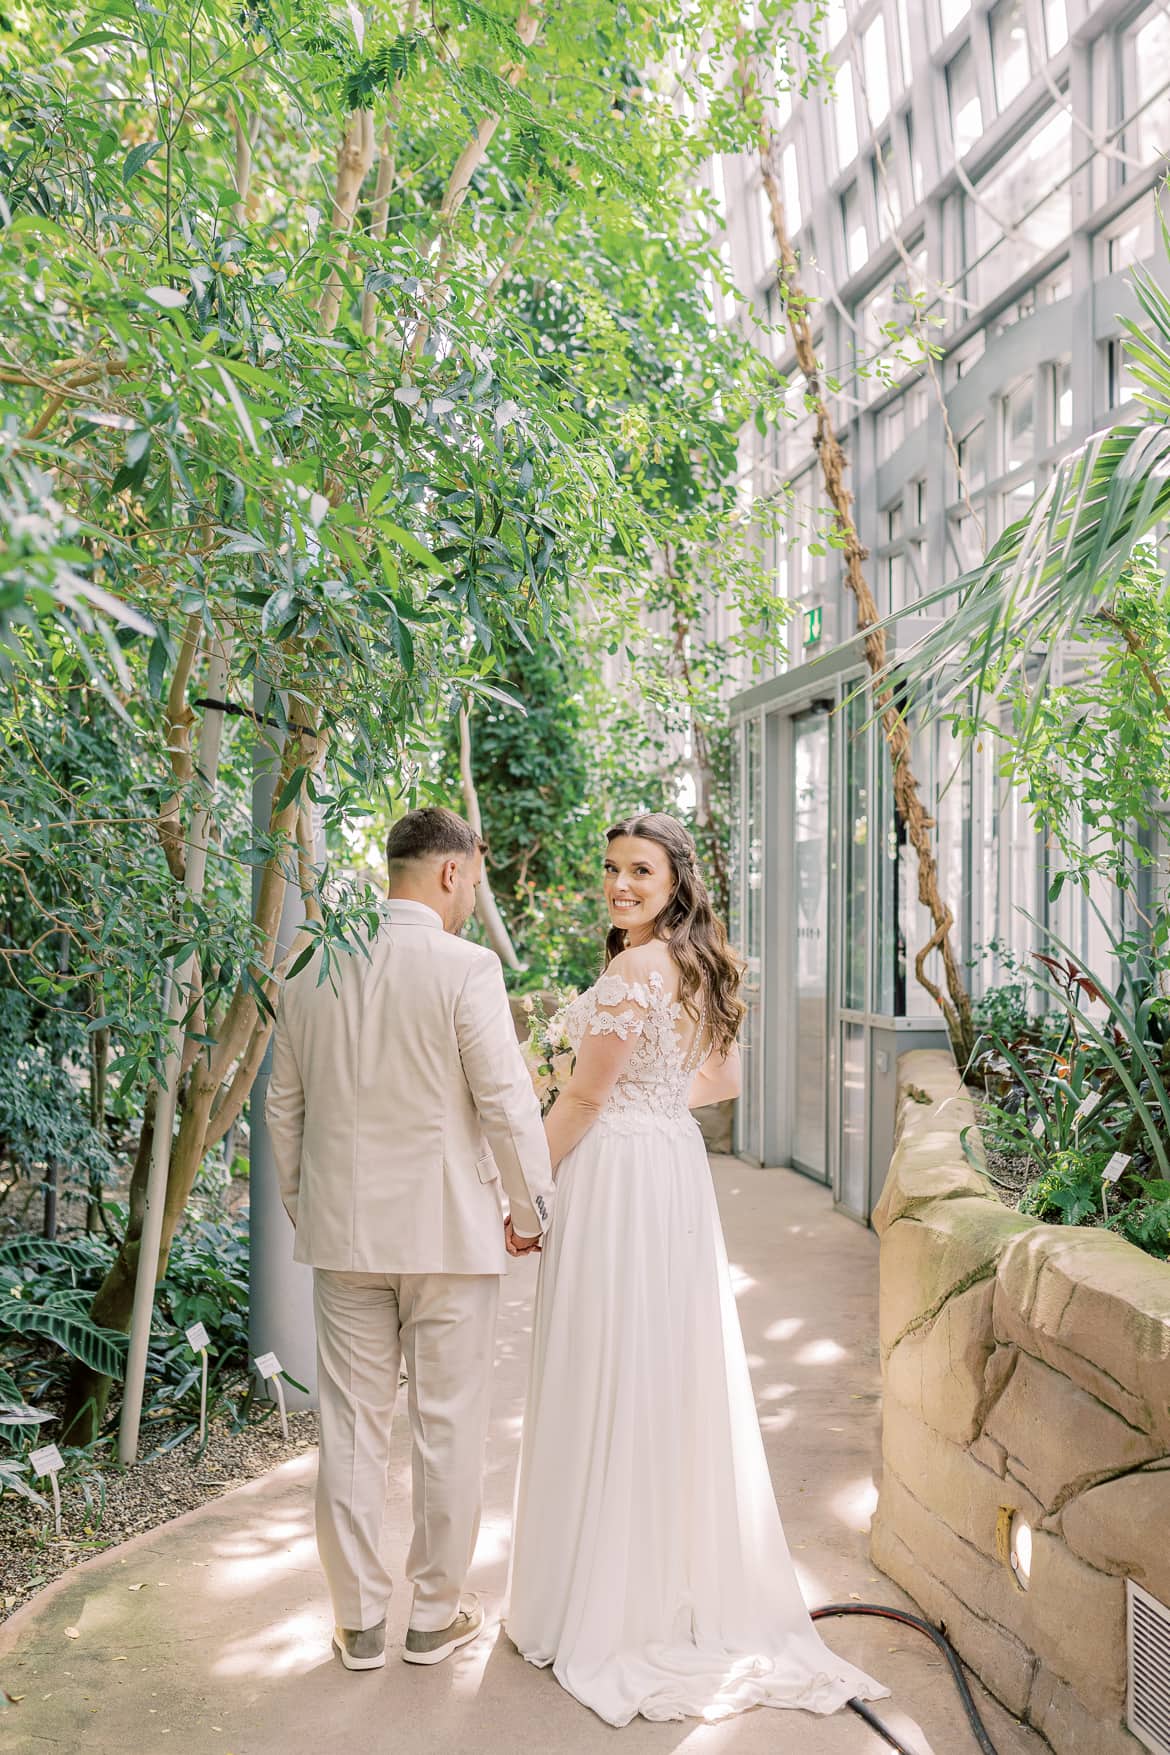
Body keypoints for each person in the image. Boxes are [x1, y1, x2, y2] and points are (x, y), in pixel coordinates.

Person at [506, 812, 888, 1726]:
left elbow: (584, 1097)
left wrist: (522, 1196)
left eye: (640, 869)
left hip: (622, 1178)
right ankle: (659, 1578)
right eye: (610, 869)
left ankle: (606, 1599)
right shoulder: (690, 963)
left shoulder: (636, 968)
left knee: (610, 1360)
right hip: (668, 1171)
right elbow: (719, 1081)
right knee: (661, 1367)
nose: (620, 884)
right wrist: (648, 1094)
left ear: (676, 878)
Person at [266, 806, 552, 1674]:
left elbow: (284, 1110)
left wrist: (307, 1207)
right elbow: (505, 1100)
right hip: (449, 1238)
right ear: (454, 872)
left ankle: (358, 1624)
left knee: (350, 1429)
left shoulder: (310, 966)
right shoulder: (467, 969)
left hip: (345, 1237)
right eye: (475, 881)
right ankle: (432, 1617)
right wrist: (532, 1211)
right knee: (448, 1427)